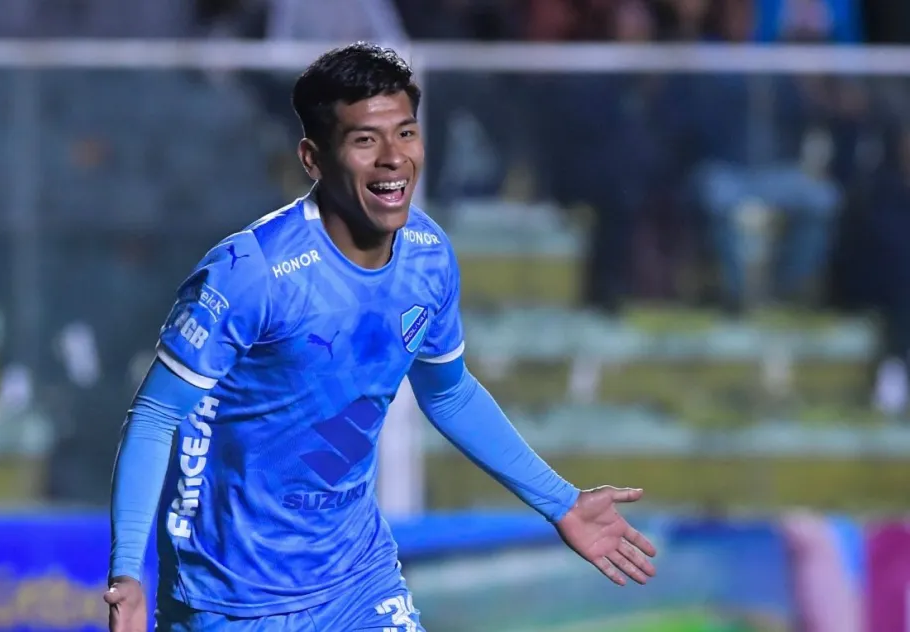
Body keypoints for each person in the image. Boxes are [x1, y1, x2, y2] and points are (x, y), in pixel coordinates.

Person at [105, 42, 656, 632]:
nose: (394, 158)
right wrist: (128, 575)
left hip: (357, 580)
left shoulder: (428, 257)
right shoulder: (251, 274)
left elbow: (448, 392)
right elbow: (157, 416)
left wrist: (561, 502)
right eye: (366, 140)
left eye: (407, 134)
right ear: (313, 158)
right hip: (233, 597)